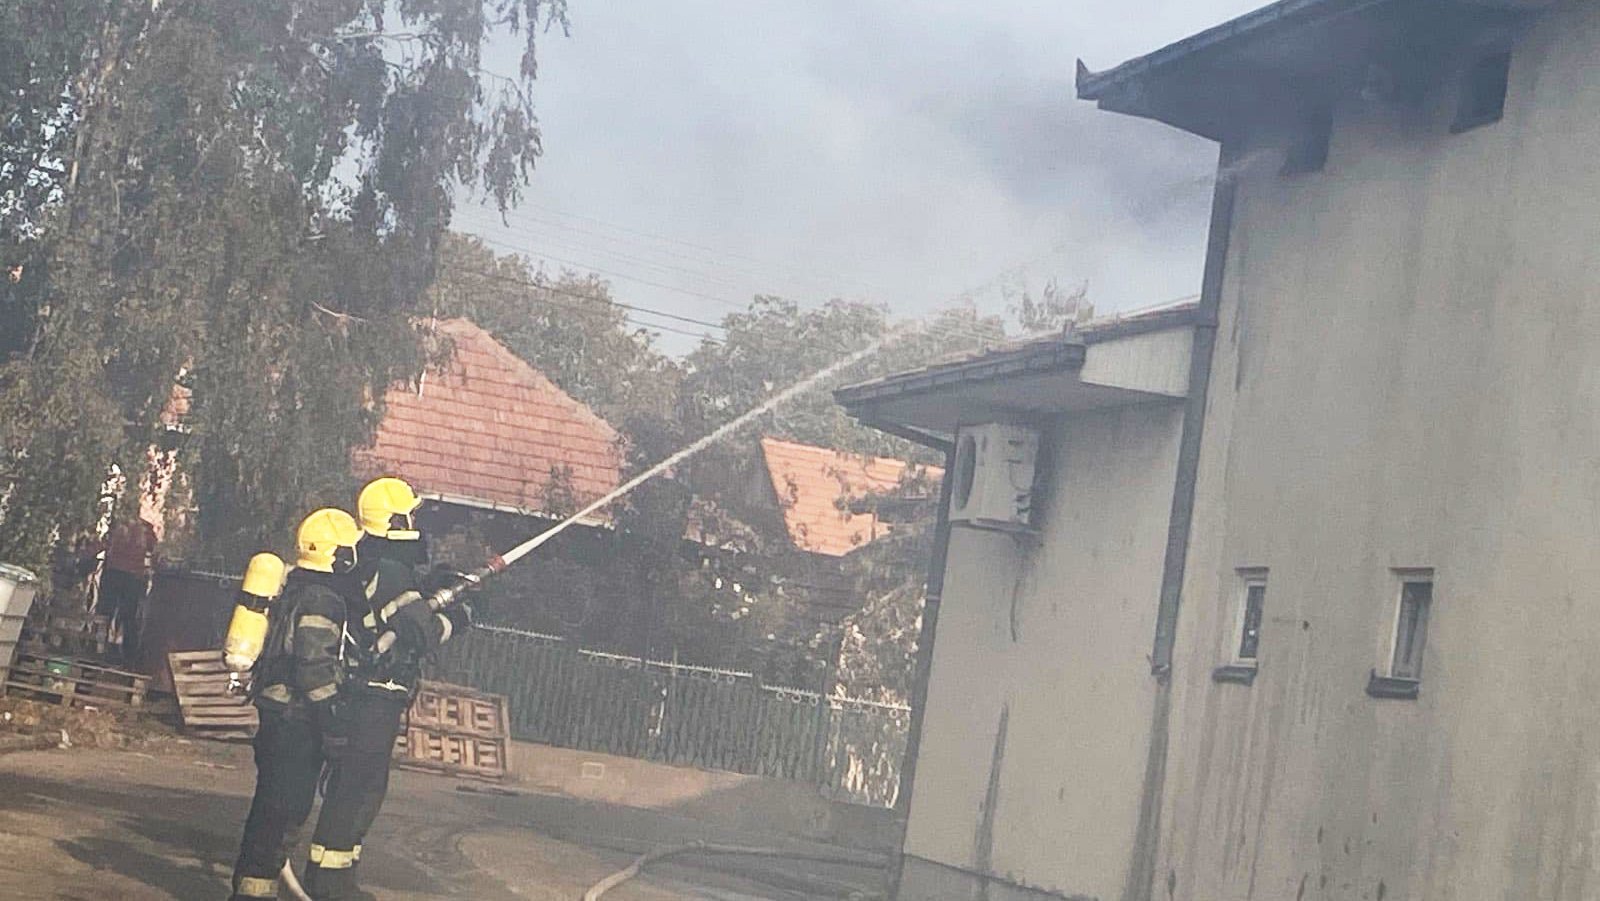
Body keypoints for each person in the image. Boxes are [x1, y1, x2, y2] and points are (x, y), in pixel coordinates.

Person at [302, 477, 472, 900]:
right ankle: (328, 885)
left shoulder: (367, 562)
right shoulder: (391, 571)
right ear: (396, 520)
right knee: (359, 789)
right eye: (410, 513)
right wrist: (465, 613)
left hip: (363, 692)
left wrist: (431, 588)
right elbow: (423, 632)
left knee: (356, 788)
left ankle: (335, 878)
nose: (415, 520)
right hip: (374, 694)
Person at [230, 508, 365, 901]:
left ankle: (252, 889)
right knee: (282, 811)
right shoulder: (323, 599)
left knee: (271, 807)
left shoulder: (296, 585)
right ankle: (252, 893)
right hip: (297, 719)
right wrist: (334, 722)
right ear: (340, 556)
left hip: (277, 711)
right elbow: (315, 667)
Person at [97, 517, 157, 662]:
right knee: (128, 616)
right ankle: (128, 654)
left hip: (115, 572)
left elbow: (105, 543)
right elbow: (152, 549)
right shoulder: (145, 529)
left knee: (106, 612)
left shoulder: (118, 524)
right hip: (132, 577)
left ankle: (98, 646)